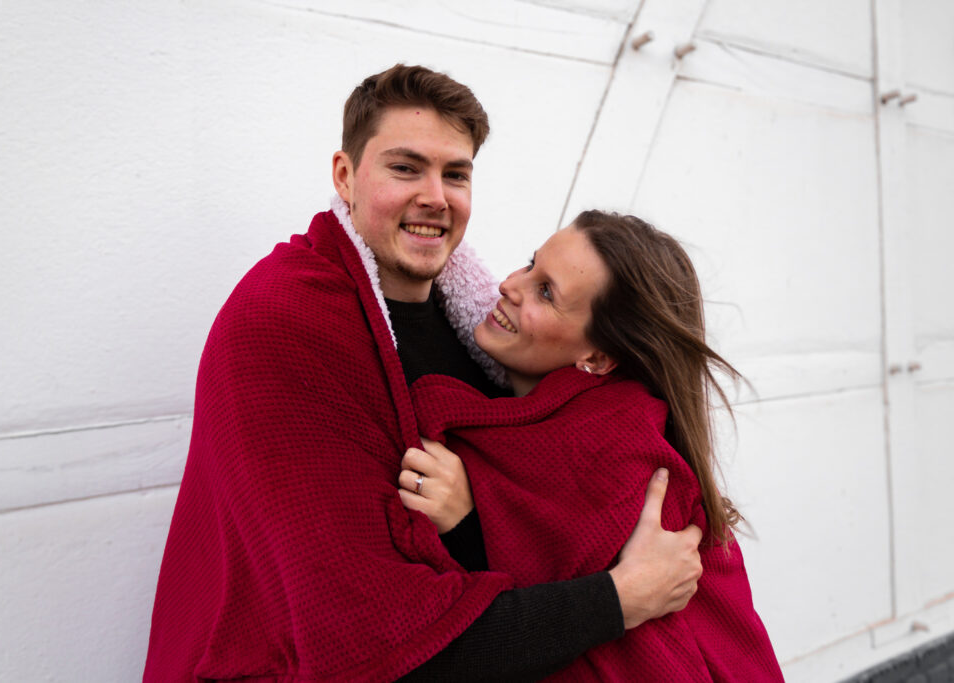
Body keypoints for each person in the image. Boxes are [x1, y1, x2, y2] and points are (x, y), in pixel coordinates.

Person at [144, 64, 704, 682]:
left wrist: (476, 518)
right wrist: (619, 599)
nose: (436, 196)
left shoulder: (477, 333)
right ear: (345, 176)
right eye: (406, 168)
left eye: (456, 173)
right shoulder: (285, 323)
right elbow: (373, 641)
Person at [398, 211, 784, 680]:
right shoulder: (521, 427)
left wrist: (468, 520)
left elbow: (642, 640)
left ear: (597, 358)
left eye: (546, 292)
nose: (509, 286)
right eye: (529, 264)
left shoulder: (617, 448)